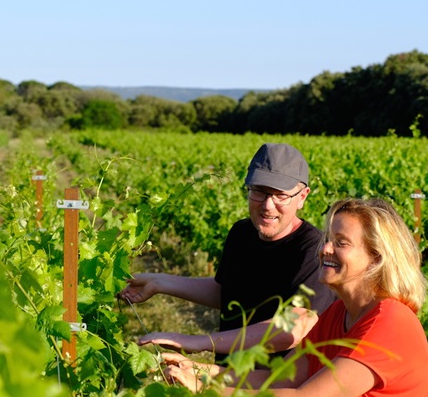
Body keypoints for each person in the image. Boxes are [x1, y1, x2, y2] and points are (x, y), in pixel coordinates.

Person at [162, 197, 428, 396]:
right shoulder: (336, 314)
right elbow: (280, 378)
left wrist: (205, 390)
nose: (325, 248)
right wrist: (202, 371)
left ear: (376, 258)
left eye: (341, 243)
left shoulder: (390, 323)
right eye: (327, 238)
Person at [119, 143, 336, 360]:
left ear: (302, 197)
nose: (268, 205)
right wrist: (159, 283)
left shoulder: (314, 250)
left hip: (275, 383)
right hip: (228, 374)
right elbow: (227, 291)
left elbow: (294, 329)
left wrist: (201, 342)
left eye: (280, 195)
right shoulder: (242, 233)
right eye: (259, 191)